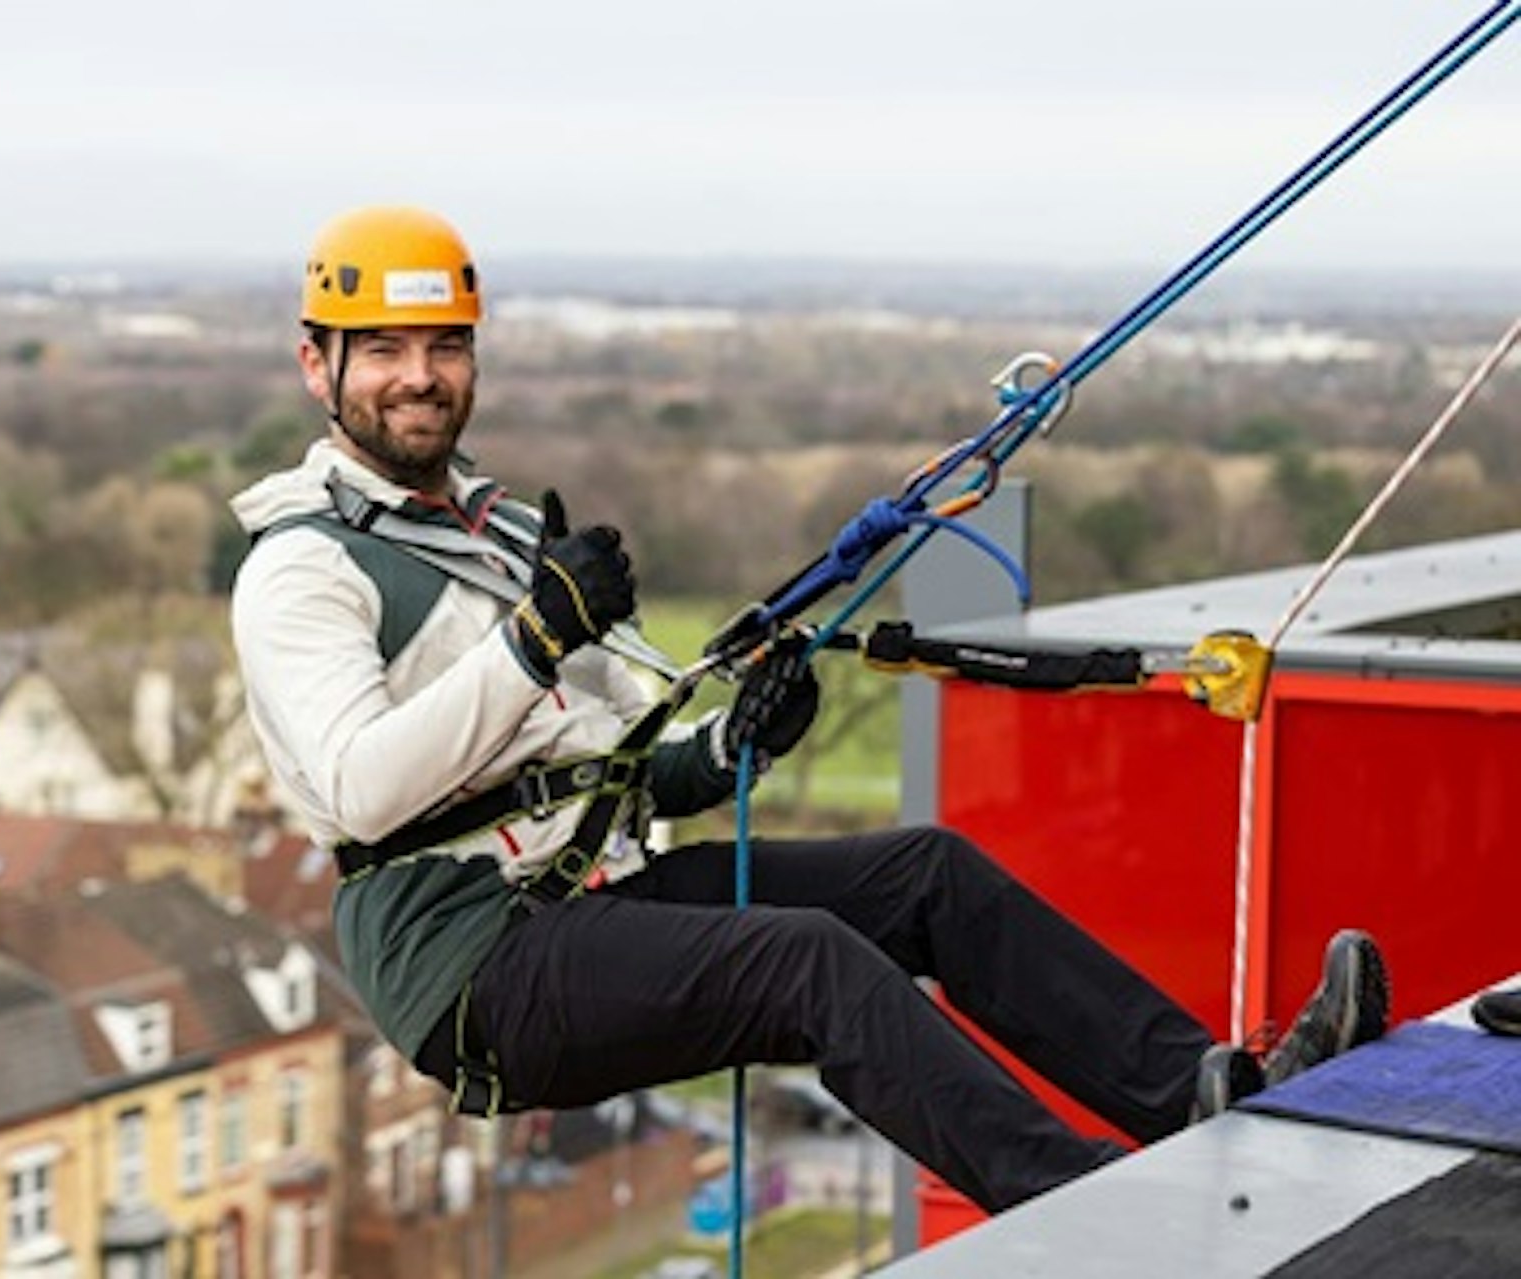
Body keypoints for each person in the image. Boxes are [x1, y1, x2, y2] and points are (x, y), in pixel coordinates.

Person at [227, 205, 1391, 1212]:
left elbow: (617, 765)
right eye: (381, 348)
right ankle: (1086, 1213)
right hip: (471, 964)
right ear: (314, 365)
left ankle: (1216, 1091)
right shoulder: (304, 569)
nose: (418, 375)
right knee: (807, 962)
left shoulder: (505, 534)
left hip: (588, 894)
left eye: (442, 346)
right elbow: (362, 788)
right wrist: (536, 641)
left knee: (927, 876)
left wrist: (734, 744)